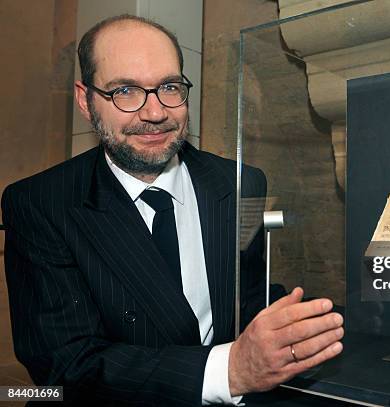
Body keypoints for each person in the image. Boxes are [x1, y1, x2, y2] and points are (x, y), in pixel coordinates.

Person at [1, 14, 343, 406]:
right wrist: (228, 371)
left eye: (169, 86)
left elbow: (244, 298)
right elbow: (64, 367)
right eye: (125, 91)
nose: (155, 113)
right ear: (85, 99)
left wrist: (311, 322)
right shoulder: (41, 203)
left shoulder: (240, 182)